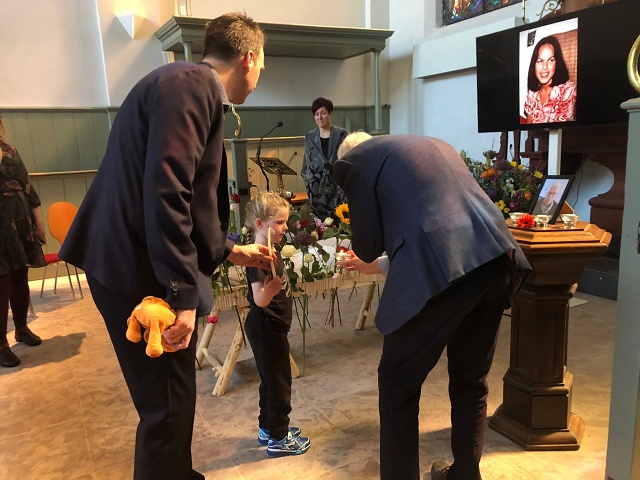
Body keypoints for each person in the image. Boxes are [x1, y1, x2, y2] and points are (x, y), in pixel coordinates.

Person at [59, 13, 274, 480]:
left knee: (173, 402)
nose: (260, 75)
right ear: (248, 57)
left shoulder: (181, 82)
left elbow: (189, 200)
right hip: (138, 270)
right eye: (262, 65)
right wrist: (182, 295)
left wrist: (229, 250)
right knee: (166, 411)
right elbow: (166, 192)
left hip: (131, 260)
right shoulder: (193, 86)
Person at [334, 132, 531, 480]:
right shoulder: (424, 145)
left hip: (447, 267)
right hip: (496, 257)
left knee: (397, 383)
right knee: (471, 380)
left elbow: (367, 244)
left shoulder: (354, 160)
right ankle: (466, 474)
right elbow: (428, 219)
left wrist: (361, 245)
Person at [243, 191, 311, 457]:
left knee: (270, 381)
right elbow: (259, 298)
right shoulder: (258, 259)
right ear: (260, 224)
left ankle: (268, 428)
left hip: (272, 326)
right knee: (280, 385)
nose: (285, 228)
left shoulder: (269, 251)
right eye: (279, 223)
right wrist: (271, 289)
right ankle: (280, 437)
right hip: (267, 327)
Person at [0, 116, 46, 368]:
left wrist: (38, 223)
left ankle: (21, 328)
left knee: (20, 276)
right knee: (1, 283)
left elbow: (28, 187)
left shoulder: (10, 150)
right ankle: (0, 344)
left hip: (19, 223)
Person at [300, 97, 348, 220]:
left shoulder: (341, 134)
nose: (320, 117)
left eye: (323, 113)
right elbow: (306, 165)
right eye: (316, 114)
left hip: (338, 189)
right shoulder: (310, 137)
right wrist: (309, 183)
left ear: (330, 114)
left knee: (339, 223)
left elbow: (347, 161)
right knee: (320, 226)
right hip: (317, 192)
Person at [524, 35, 577, 124]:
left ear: (557, 63)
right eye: (540, 61)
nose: (545, 67)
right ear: (534, 64)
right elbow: (529, 128)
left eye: (550, 60)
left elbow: (558, 130)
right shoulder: (532, 93)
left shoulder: (568, 91)